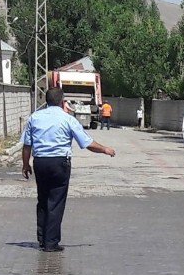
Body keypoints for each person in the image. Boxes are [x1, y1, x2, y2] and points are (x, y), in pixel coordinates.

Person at [21, 87, 116, 252]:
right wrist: (105, 149)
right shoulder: (68, 119)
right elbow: (87, 143)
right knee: (56, 201)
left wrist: (25, 164)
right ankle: (51, 243)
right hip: (59, 163)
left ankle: (42, 239)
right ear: (61, 101)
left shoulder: (34, 118)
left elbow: (27, 145)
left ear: (46, 100)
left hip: (40, 162)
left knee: (43, 200)